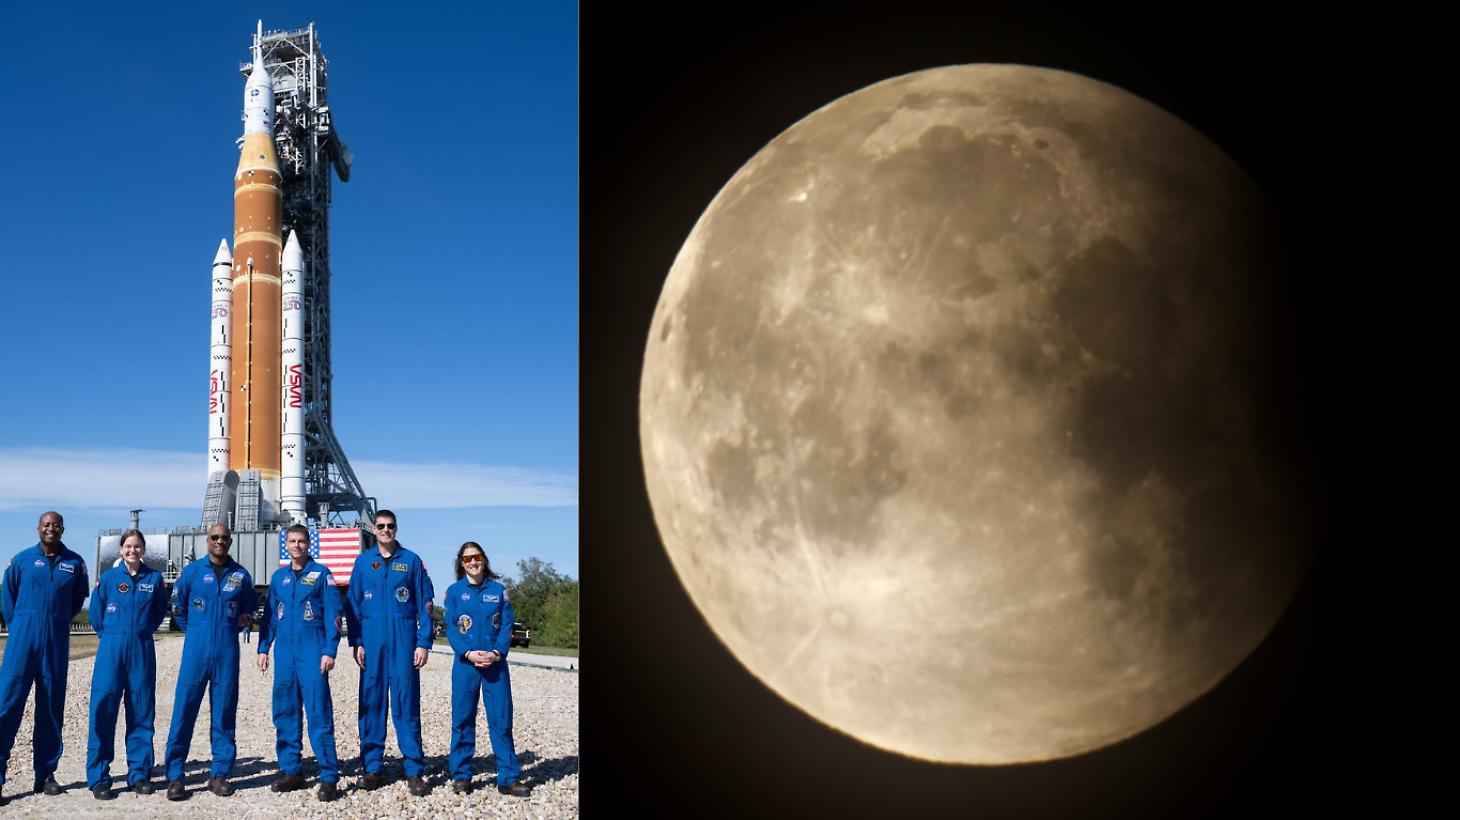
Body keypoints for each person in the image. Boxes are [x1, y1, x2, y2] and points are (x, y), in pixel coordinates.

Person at [162, 523, 257, 800]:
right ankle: (176, 776)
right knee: (184, 711)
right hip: (196, 651)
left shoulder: (241, 575)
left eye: (224, 538)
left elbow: (248, 609)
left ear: (230, 541)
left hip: (226, 651)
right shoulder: (192, 572)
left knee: (225, 712)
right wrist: (197, 631)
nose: (219, 542)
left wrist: (232, 627)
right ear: (207, 540)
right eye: (215, 537)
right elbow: (178, 607)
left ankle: (219, 774)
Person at [0, 511, 89, 805]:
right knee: (6, 705)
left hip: (55, 640)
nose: (51, 528)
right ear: (39, 528)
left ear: (63, 529)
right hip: (22, 640)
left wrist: (59, 619)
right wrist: (19, 625)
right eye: (46, 524)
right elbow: (7, 595)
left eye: (55, 524)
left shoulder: (75, 563)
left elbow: (78, 598)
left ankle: (45, 774)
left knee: (51, 706)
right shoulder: (22, 560)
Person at [344, 510, 434, 796]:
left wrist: (423, 643)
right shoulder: (363, 563)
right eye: (380, 526)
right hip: (372, 643)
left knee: (406, 704)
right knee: (371, 703)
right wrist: (357, 641)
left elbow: (426, 604)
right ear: (374, 529)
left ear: (396, 528)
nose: (385, 530)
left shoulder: (411, 561)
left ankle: (414, 769)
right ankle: (372, 768)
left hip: (404, 641)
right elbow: (353, 606)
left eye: (390, 526)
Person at [257, 524, 342, 802]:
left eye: (302, 541)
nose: (297, 546)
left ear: (309, 544)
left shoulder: (321, 575)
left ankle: (329, 775)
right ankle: (291, 769)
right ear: (287, 545)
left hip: (312, 651)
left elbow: (333, 614)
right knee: (285, 711)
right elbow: (269, 616)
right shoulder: (279, 577)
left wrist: (329, 650)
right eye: (292, 541)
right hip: (284, 654)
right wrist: (263, 648)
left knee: (318, 713)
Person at [85, 529, 169, 800]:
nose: (132, 551)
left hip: (141, 649)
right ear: (121, 549)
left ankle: (139, 774)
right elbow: (96, 615)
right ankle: (99, 777)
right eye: (128, 546)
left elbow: (158, 612)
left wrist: (139, 632)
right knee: (103, 710)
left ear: (143, 550)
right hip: (111, 648)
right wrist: (111, 636)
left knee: (142, 711)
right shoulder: (108, 579)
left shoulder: (154, 579)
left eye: (137, 546)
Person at [443, 542, 529, 796]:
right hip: (465, 665)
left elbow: (506, 626)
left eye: (477, 556)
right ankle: (461, 774)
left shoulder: (499, 591)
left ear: (484, 559)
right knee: (462, 719)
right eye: (467, 558)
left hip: (494, 665)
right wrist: (468, 653)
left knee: (501, 720)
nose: (473, 562)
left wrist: (495, 653)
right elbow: (450, 627)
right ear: (461, 563)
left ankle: (508, 777)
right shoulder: (454, 592)